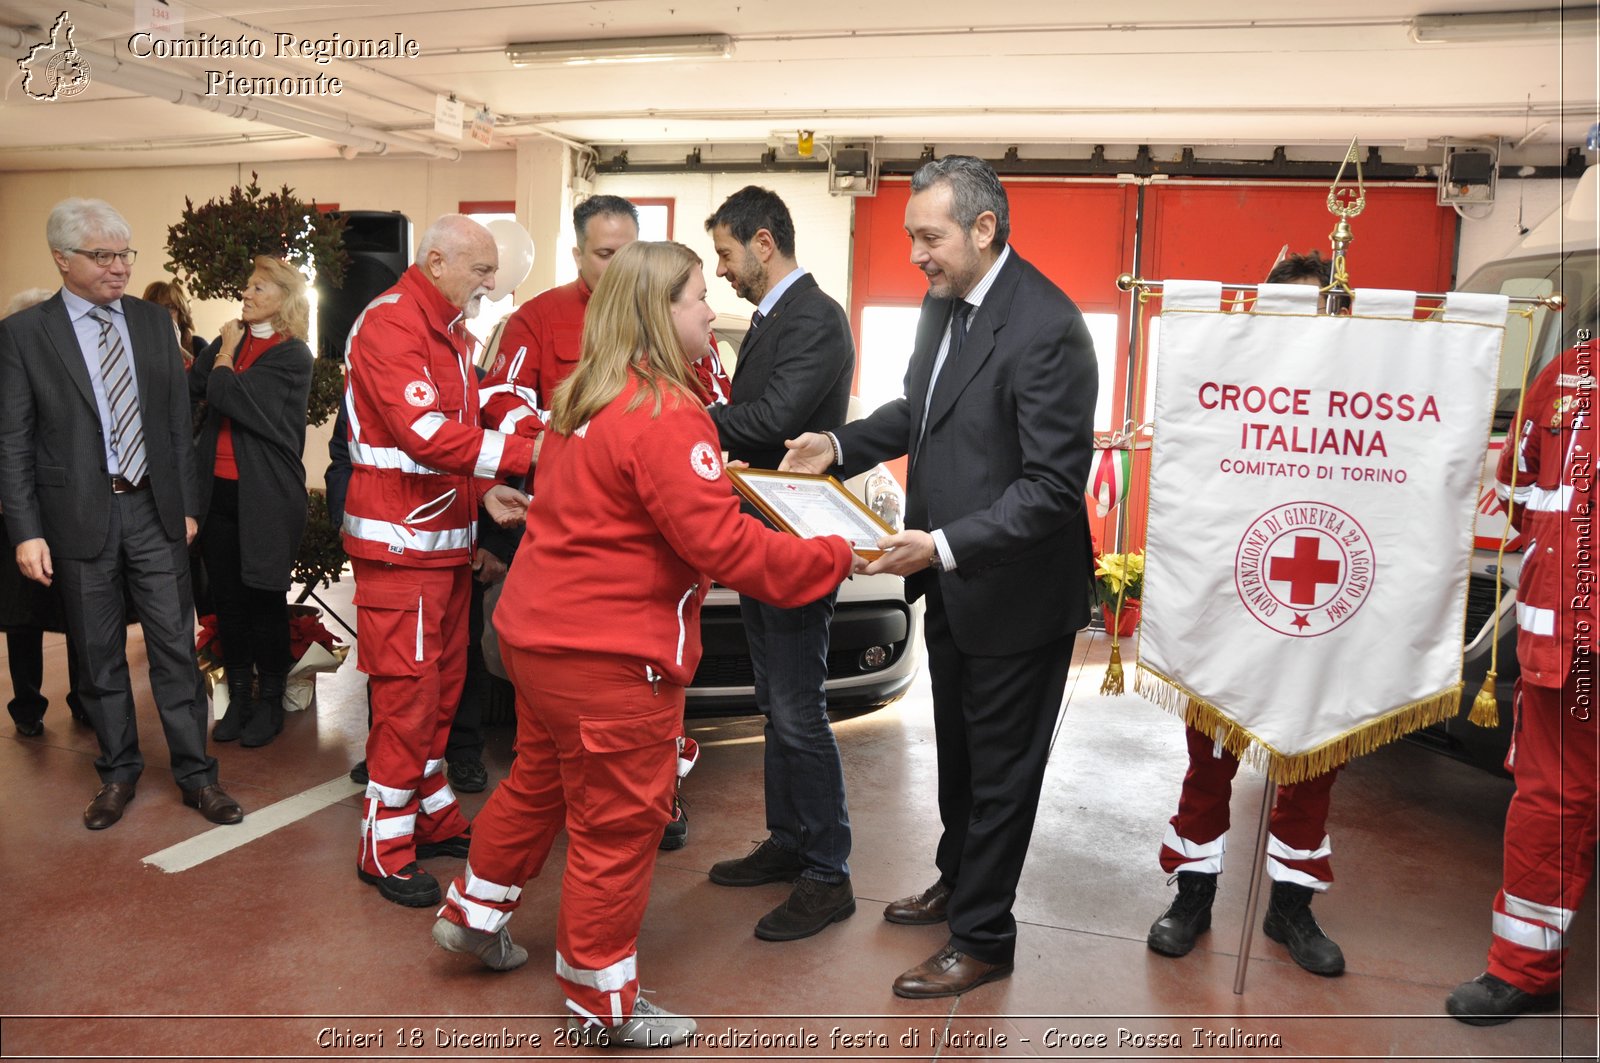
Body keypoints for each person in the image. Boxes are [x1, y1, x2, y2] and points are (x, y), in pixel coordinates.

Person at [431, 240, 858, 1048]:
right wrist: (838, 552)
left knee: (536, 786)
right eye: (698, 296)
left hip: (538, 642)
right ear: (659, 313)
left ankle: (473, 917)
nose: (711, 308)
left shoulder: (583, 397)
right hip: (611, 661)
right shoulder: (667, 412)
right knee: (617, 829)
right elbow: (724, 547)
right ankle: (602, 1004)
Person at [783, 156, 1096, 997]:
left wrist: (943, 544)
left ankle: (986, 935)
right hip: (955, 581)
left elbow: (1053, 490)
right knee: (958, 758)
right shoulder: (943, 304)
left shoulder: (1049, 326)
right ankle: (962, 879)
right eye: (913, 236)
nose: (917, 254)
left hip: (1015, 593)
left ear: (984, 229)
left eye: (931, 236)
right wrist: (841, 445)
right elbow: (918, 411)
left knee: (1002, 774)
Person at [479, 194, 723, 850]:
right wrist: (564, 453)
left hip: (663, 551)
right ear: (579, 253)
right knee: (596, 721)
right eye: (604, 254)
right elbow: (504, 402)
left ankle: (657, 797)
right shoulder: (537, 320)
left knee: (646, 697)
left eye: (627, 252)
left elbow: (717, 401)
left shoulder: (676, 325)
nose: (617, 266)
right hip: (588, 551)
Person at [0, 198, 243, 830]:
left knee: (174, 650)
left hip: (153, 512)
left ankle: (197, 776)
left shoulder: (149, 323)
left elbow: (173, 423)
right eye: (102, 256)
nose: (118, 268)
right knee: (99, 653)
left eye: (125, 254)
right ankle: (118, 772)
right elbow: (14, 441)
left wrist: (186, 506)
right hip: (75, 518)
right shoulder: (25, 334)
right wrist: (25, 530)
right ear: (63, 258)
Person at [1144, 251, 1347, 978]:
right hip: (1232, 609)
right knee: (1209, 763)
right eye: (1284, 309)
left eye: (1314, 309)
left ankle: (1291, 905)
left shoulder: (1357, 395)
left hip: (1316, 608)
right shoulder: (1227, 396)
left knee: (1310, 764)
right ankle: (1192, 896)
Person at [342, 214, 534, 906]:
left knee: (442, 692)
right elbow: (423, 434)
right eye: (482, 270)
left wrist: (488, 492)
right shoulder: (394, 323)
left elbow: (461, 432)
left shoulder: (449, 327)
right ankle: (383, 848)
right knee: (407, 697)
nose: (491, 283)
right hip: (401, 549)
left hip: (444, 545)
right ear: (436, 260)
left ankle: (429, 816)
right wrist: (527, 456)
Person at [701, 186, 858, 941]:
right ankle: (789, 839)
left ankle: (828, 873)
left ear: (764, 244)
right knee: (775, 700)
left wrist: (681, 415)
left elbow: (770, 420)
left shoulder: (815, 318)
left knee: (799, 707)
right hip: (762, 533)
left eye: (727, 255)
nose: (723, 272)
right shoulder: (772, 319)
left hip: (795, 538)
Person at [1447, 308, 1597, 1024]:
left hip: (1567, 640)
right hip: (1568, 653)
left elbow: (1519, 495)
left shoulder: (1569, 376)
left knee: (1554, 804)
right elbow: (1514, 485)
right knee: (1551, 807)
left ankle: (1525, 969)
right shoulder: (1566, 374)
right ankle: (1525, 971)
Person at [189, 257, 314, 748]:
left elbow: (226, 393)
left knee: (264, 599)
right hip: (217, 492)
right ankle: (239, 696)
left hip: (266, 496)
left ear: (283, 298)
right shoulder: (231, 342)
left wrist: (224, 354)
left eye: (258, 287)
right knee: (228, 600)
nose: (246, 292)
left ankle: (270, 702)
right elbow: (195, 385)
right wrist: (223, 351)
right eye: (247, 284)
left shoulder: (292, 355)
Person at [2, 287, 87, 736]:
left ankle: (84, 699)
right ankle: (27, 706)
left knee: (79, 609)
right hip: (18, 515)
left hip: (65, 510)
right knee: (23, 617)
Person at [141, 280, 207, 366]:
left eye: (170, 307)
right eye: (155, 307)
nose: (161, 313)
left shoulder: (198, 345)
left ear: (181, 313)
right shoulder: (139, 346)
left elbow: (205, 377)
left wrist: (178, 348)